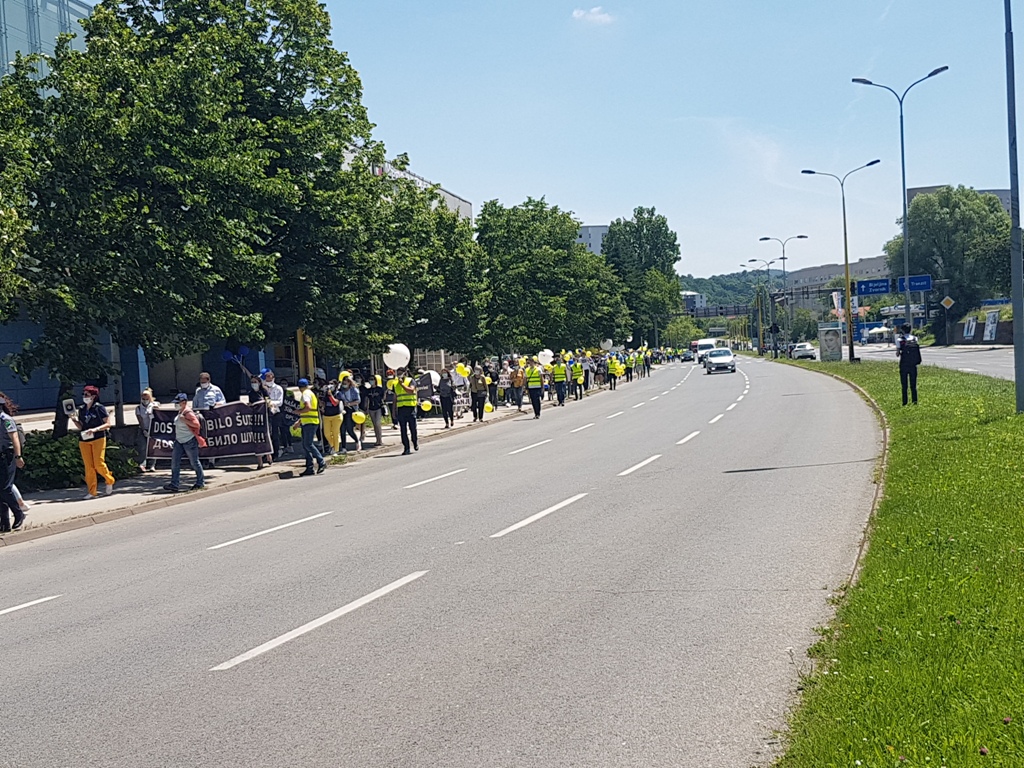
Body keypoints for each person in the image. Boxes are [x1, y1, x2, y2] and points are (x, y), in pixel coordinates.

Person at [70, 385, 115, 500]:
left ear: (94, 396)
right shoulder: (82, 409)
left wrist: (95, 429)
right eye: (83, 394)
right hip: (84, 439)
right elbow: (81, 426)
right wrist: (74, 420)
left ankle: (109, 480)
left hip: (98, 437)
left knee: (98, 463)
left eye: (87, 395)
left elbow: (108, 423)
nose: (84, 397)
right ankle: (92, 491)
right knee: (88, 466)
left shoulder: (99, 408)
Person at [163, 393, 207, 492]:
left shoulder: (188, 413)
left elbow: (197, 425)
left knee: (194, 462)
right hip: (179, 441)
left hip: (189, 441)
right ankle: (174, 484)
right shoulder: (180, 411)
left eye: (178, 403)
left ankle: (200, 482)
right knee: (175, 463)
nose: (176, 405)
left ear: (184, 402)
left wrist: (184, 420)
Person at [0, 396, 26, 533]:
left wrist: (18, 456)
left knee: (5, 488)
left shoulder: (6, 420)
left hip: (7, 457)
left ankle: (19, 513)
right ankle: (4, 523)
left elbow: (14, 438)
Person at [296, 378, 326, 475]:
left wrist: (298, 412)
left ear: (299, 387)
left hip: (310, 423)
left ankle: (321, 461)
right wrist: (300, 421)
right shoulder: (311, 393)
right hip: (308, 421)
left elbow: (308, 407)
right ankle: (309, 467)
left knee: (308, 444)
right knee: (305, 445)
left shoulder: (305, 394)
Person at [259, 369, 288, 459]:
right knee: (266, 434)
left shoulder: (278, 388)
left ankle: (275, 453)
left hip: (275, 413)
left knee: (274, 434)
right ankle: (267, 453)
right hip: (265, 413)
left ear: (273, 377)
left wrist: (270, 402)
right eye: (266, 378)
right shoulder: (263, 388)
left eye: (269, 377)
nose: (268, 379)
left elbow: (280, 402)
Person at [247, 375, 274, 469]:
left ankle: (268, 456)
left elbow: (268, 402)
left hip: (265, 418)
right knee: (257, 439)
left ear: (259, 382)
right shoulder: (250, 393)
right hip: (256, 419)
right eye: (252, 382)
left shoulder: (264, 391)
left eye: (255, 382)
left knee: (266, 436)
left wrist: (266, 404)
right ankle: (260, 462)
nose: (253, 384)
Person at [394, 367, 419, 455]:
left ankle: (415, 442)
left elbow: (411, 391)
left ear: (405, 373)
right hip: (401, 409)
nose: (399, 374)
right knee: (403, 430)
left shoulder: (410, 380)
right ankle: (406, 447)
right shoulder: (395, 383)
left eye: (401, 372)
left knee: (413, 428)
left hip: (410, 408)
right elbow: (395, 397)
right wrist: (393, 411)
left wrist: (402, 385)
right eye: (398, 372)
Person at [896, 323, 923, 406]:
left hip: (904, 364)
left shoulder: (900, 340)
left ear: (902, 330)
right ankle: (915, 401)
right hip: (913, 364)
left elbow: (897, 353)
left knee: (904, 385)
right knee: (913, 384)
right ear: (910, 329)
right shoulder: (915, 339)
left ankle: (905, 402)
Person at [134, 389, 159, 472]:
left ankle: (152, 465)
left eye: (146, 398)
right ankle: (142, 464)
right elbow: (140, 419)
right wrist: (144, 430)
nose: (145, 400)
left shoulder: (154, 405)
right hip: (143, 429)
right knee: (142, 447)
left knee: (153, 447)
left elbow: (159, 416)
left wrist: (156, 409)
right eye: (143, 398)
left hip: (153, 429)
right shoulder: (138, 408)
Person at [337, 374, 362, 451]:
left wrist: (349, 404)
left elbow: (358, 400)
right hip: (342, 409)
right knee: (342, 429)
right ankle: (343, 447)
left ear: (349, 383)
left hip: (350, 409)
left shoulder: (353, 390)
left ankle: (357, 441)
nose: (344, 385)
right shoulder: (340, 391)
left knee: (349, 429)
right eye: (343, 383)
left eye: (346, 383)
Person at [360, 374, 386, 446]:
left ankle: (379, 439)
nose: (371, 381)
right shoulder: (368, 391)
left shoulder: (380, 389)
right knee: (374, 424)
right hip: (371, 408)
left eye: (372, 379)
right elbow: (367, 400)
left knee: (378, 423)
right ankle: (377, 440)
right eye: (370, 380)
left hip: (378, 408)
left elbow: (383, 397)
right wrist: (366, 409)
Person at [319, 379, 343, 456]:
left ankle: (336, 450)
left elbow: (335, 403)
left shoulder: (338, 393)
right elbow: (323, 404)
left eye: (332, 384)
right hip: (327, 416)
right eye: (329, 383)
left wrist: (331, 395)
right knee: (327, 434)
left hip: (336, 416)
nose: (330, 385)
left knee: (335, 433)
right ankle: (332, 446)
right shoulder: (326, 394)